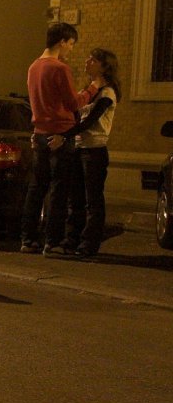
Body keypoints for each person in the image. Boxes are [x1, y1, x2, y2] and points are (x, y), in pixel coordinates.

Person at [19, 22, 99, 256]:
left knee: (36, 189)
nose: (71, 50)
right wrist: (92, 89)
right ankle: (52, 242)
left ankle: (28, 239)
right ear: (62, 41)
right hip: (61, 135)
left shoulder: (33, 67)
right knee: (58, 190)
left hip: (40, 134)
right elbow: (73, 103)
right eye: (71, 44)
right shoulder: (59, 68)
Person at [61, 48, 120, 258]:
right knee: (74, 197)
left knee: (92, 200)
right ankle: (71, 239)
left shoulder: (107, 93)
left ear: (104, 66)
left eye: (92, 60)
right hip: (79, 148)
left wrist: (64, 134)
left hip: (94, 151)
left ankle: (89, 244)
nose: (87, 62)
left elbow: (90, 120)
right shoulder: (89, 91)